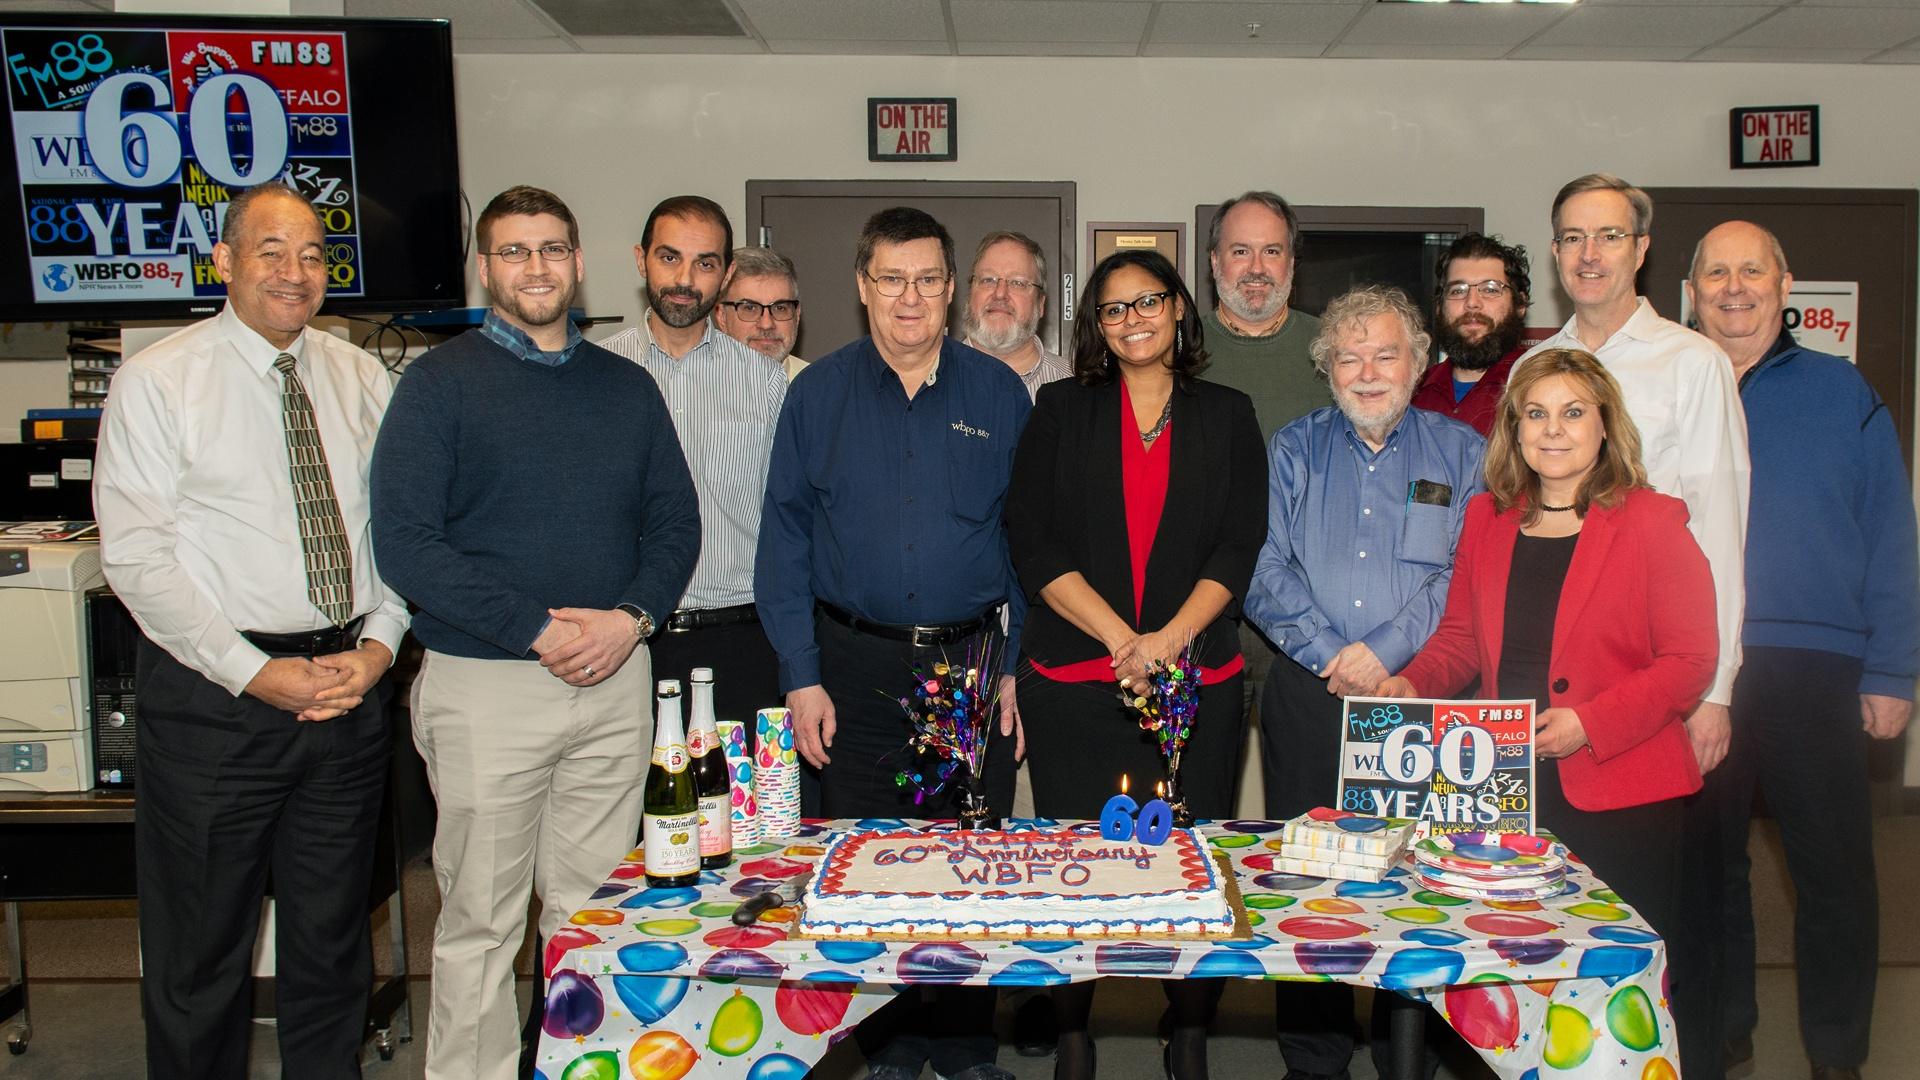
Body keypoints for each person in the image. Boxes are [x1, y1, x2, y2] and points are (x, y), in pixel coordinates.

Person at [370, 185, 700, 1080]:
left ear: (579, 262)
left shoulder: (627, 389)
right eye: (515, 252)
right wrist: (533, 630)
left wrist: (631, 620)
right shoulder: (438, 387)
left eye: (552, 248)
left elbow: (675, 524)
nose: (537, 267)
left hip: (613, 682)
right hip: (487, 687)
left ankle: (574, 1067)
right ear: (486, 269)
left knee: (592, 914)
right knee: (480, 920)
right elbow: (405, 542)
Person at [94, 182, 409, 1080]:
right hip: (214, 704)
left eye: (312, 255)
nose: (294, 272)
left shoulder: (361, 376)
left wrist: (381, 647)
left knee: (333, 949)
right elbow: (138, 559)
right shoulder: (161, 379)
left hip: (347, 692)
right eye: (270, 251)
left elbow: (395, 530)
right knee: (199, 958)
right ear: (223, 260)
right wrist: (252, 672)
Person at [754, 205, 1030, 1080]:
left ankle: (966, 1047)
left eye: (926, 280)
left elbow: (1030, 542)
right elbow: (784, 542)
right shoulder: (817, 394)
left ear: (950, 290)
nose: (908, 297)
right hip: (853, 666)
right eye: (890, 279)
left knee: (965, 862)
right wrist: (801, 676)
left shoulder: (998, 395)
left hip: (967, 666)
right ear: (862, 288)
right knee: (865, 863)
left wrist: (1014, 667)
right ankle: (888, 1048)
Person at [1006, 249, 1266, 1080]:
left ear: (1180, 308)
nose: (1133, 320)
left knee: (1189, 862)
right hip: (1077, 686)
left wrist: (1165, 644)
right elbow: (1032, 538)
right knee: (1077, 867)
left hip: (1198, 686)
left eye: (1148, 301)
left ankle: (1187, 1029)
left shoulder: (1228, 413)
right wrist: (1124, 639)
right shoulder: (1058, 408)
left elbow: (1239, 541)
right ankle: (1074, 1029)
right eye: (1114, 309)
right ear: (1096, 325)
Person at [1378, 346, 1718, 969]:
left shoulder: (1653, 521)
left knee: (1610, 978)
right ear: (1514, 429)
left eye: (1572, 412)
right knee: (1504, 964)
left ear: (1606, 424)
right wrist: (1410, 682)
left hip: (1619, 790)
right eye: (1535, 413)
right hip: (1501, 786)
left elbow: (1690, 659)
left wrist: (1589, 723)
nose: (1553, 429)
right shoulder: (1488, 517)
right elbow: (1459, 637)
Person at [1520, 173, 1750, 1078]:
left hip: (1656, 693)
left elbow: (1722, 531)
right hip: (1545, 713)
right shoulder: (1540, 360)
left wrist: (1716, 690)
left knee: (1649, 930)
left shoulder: (1692, 363)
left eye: (1607, 236)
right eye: (1571, 236)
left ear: (1641, 249)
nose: (1588, 255)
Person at [1686, 221, 1918, 1080]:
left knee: (1835, 880)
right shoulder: (1674, 383)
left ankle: (1837, 1056)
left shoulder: (1841, 389)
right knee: (1709, 875)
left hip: (1811, 667)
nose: (1734, 286)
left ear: (1786, 285)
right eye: (1716, 271)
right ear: (1692, 288)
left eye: (1752, 270)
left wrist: (1892, 668)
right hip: (1695, 672)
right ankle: (1725, 1030)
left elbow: (1892, 533)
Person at [1244, 285, 1485, 1080]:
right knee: (1309, 885)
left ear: (1418, 364)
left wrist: (1383, 654)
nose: (1368, 371)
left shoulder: (1462, 455)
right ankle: (1313, 1059)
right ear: (1328, 368)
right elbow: (1260, 565)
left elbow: (1464, 576)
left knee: (1410, 882)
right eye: (1349, 356)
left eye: (1386, 353)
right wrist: (1327, 651)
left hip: (1412, 699)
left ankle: (1404, 1051)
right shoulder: (1293, 448)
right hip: (1308, 697)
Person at [605, 197, 788, 724]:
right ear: (641, 260)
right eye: (669, 258)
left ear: (726, 273)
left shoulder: (764, 380)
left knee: (741, 805)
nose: (685, 278)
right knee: (631, 805)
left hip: (743, 639)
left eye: (705, 263)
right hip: (628, 643)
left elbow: (791, 518)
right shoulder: (599, 372)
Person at [1411, 233, 1531, 435]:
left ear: (1520, 304)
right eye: (1458, 290)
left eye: (1491, 289)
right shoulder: (1413, 391)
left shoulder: (1540, 382)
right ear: (1439, 306)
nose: (1472, 302)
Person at [964, 229, 1072, 396]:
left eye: (1018, 283)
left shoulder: (1076, 386)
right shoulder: (926, 378)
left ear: (1040, 304)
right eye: (988, 280)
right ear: (970, 294)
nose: (1000, 293)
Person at [715, 244, 808, 380]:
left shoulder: (824, 387)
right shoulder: (693, 388)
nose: (766, 324)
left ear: (797, 314)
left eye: (780, 308)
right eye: (750, 308)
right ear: (722, 316)